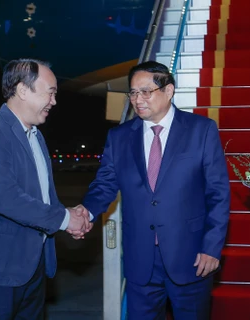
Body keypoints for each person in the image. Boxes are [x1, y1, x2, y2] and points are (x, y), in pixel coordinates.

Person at [73, 60, 231, 319]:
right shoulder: (119, 136)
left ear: (168, 91)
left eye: (146, 91)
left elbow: (218, 194)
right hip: (140, 259)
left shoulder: (201, 130)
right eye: (133, 92)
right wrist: (85, 212)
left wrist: (212, 247)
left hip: (191, 255)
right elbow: (104, 185)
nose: (138, 99)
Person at [0, 58, 92, 319]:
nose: (54, 101)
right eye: (50, 92)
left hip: (33, 267)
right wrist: (65, 219)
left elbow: (42, 197)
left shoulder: (35, 136)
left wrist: (69, 216)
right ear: (22, 90)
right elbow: (5, 198)